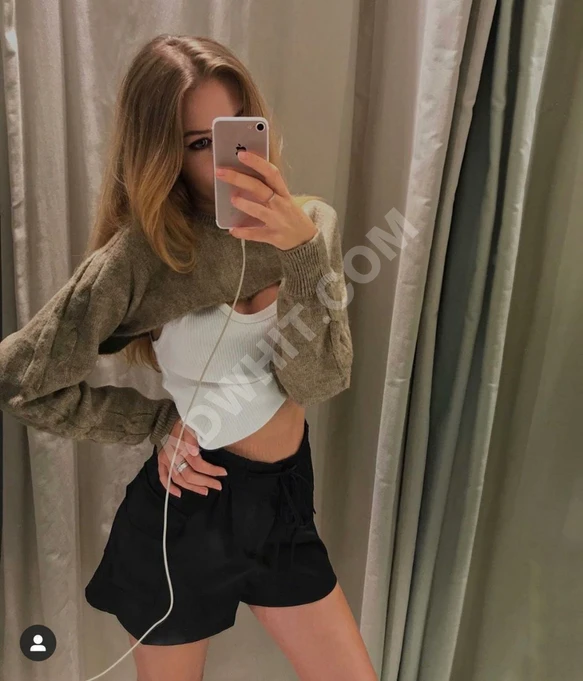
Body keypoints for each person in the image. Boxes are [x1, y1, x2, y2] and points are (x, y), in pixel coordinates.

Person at [0, 34, 377, 681]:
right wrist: (155, 424)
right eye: (200, 143)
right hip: (187, 512)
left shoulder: (309, 224)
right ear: (161, 153)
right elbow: (20, 380)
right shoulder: (142, 257)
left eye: (236, 131)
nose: (229, 161)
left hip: (285, 504)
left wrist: (301, 251)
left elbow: (319, 378)